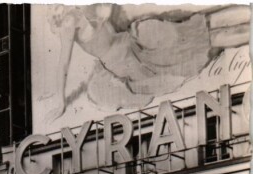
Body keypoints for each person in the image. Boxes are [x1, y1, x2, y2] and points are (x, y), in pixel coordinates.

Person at [43, 4, 251, 123]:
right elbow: (63, 65)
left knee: (202, 33)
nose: (58, 9)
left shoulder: (81, 14)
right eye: (54, 10)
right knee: (202, 31)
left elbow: (64, 63)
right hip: (133, 52)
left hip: (134, 48)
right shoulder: (76, 18)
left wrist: (60, 102)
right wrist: (60, 101)